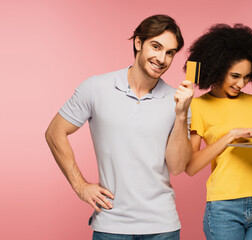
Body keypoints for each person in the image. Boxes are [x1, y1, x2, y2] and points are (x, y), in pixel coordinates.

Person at [44, 14, 193, 239]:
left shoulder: (178, 100)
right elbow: (54, 132)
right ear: (138, 43)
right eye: (156, 46)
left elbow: (177, 166)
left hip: (163, 226)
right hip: (111, 225)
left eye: (170, 53)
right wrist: (80, 186)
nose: (162, 58)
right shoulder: (95, 88)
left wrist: (181, 115)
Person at [184, 23, 252, 240]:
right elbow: (191, 166)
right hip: (224, 206)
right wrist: (229, 136)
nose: (241, 83)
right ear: (217, 69)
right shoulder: (198, 106)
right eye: (235, 76)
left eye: (246, 77)